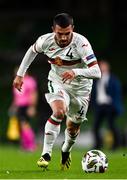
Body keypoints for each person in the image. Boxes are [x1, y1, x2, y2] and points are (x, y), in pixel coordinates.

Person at [13, 13, 101, 170]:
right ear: (53, 29)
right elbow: (31, 51)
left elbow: (97, 72)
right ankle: (46, 153)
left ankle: (66, 149)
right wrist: (20, 75)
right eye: (60, 33)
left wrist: (76, 72)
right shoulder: (45, 41)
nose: (64, 37)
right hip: (58, 82)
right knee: (59, 112)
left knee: (73, 128)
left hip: (81, 89)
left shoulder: (82, 43)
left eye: (67, 33)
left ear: (72, 29)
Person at [91, 60, 123, 150]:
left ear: (107, 67)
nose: (102, 68)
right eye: (101, 66)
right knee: (96, 127)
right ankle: (97, 145)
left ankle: (116, 145)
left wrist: (114, 104)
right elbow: (93, 93)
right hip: (99, 106)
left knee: (111, 125)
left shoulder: (113, 79)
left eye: (104, 66)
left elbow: (117, 92)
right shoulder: (96, 79)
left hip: (110, 106)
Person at [10, 70, 38, 152]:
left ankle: (31, 145)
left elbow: (33, 93)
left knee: (24, 125)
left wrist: (32, 107)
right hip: (19, 106)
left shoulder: (29, 81)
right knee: (21, 126)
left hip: (26, 105)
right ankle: (25, 145)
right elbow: (16, 96)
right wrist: (13, 106)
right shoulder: (17, 81)